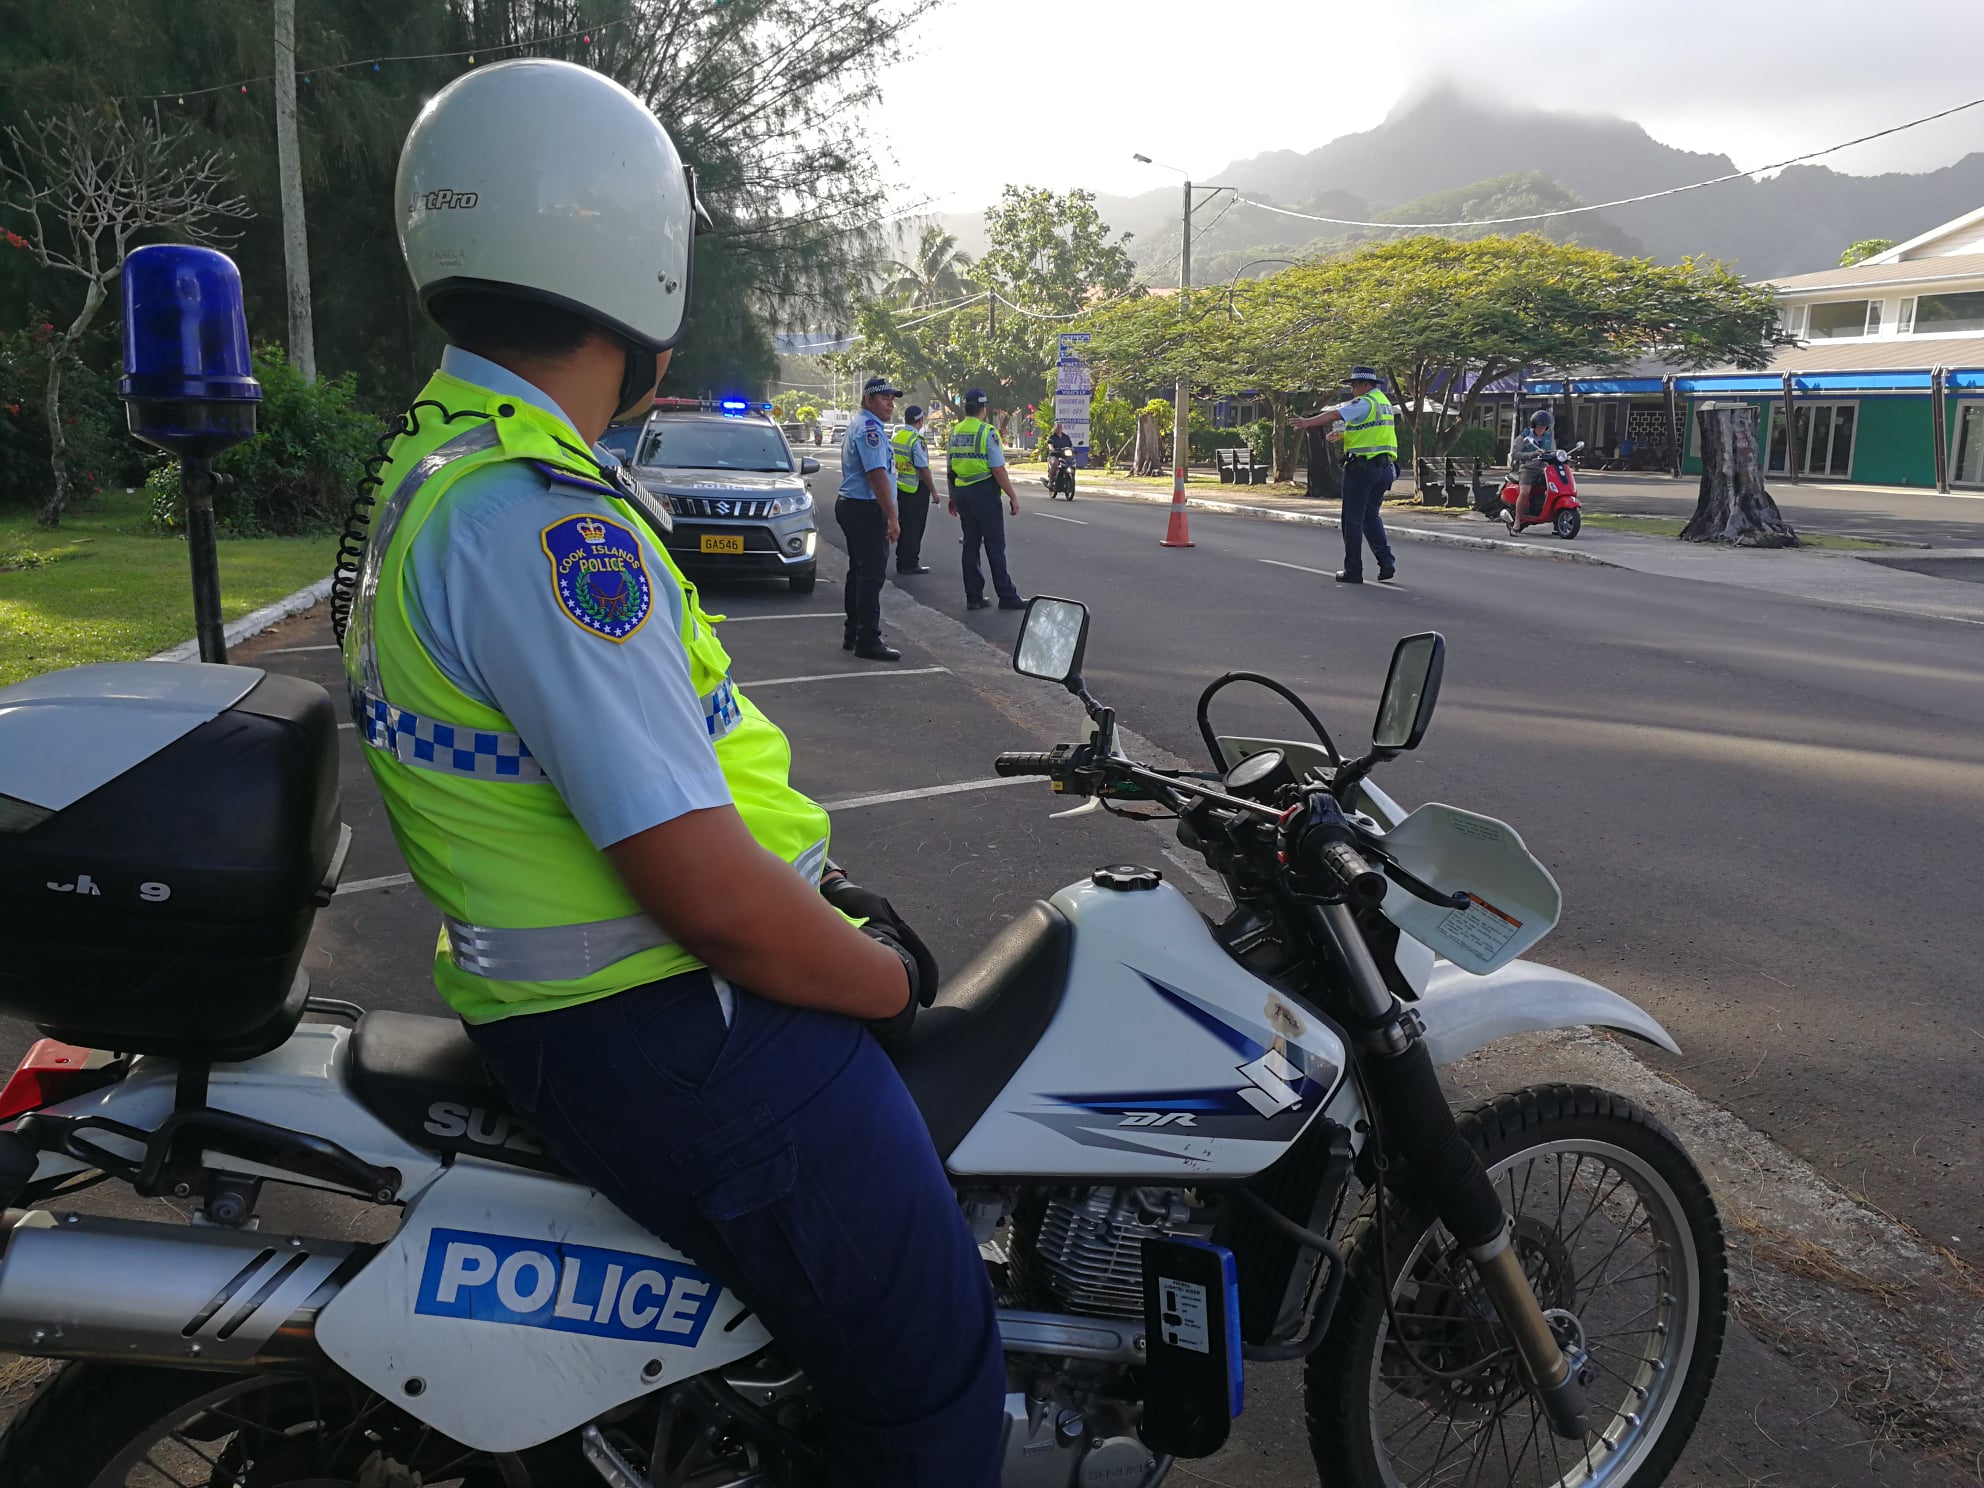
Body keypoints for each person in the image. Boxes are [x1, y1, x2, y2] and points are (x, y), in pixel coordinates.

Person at [346, 59, 1003, 1486]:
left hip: (602, 1014)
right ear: (634, 266)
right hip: (678, 1028)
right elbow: (701, 887)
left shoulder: (445, 462)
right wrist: (883, 976)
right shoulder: (545, 527)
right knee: (939, 1387)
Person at [1290, 365, 1399, 584]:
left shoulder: (1365, 401)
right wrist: (1344, 435)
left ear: (1366, 385)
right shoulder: (1383, 402)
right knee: (1370, 516)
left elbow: (1335, 413)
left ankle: (1353, 570)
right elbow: (1373, 432)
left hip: (1362, 468)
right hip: (1385, 468)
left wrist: (1307, 423)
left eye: (1355, 385)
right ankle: (1386, 561)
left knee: (1352, 520)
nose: (1352, 390)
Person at [838, 376, 905, 661]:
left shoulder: (866, 425)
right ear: (867, 400)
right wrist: (892, 517)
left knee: (859, 571)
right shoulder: (869, 429)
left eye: (892, 398)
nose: (889, 403)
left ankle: (853, 632)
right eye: (883, 398)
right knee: (872, 575)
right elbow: (876, 475)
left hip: (855, 506)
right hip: (865, 508)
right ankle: (867, 638)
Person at [945, 388, 1024, 610]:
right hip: (984, 493)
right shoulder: (987, 432)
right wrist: (1013, 496)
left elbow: (950, 469)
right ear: (984, 408)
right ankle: (1006, 595)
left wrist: (952, 496)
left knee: (970, 544)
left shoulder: (954, 432)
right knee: (994, 545)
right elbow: (998, 469)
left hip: (962, 492)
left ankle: (974, 597)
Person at [891, 403, 936, 574]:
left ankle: (902, 560)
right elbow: (922, 468)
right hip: (916, 488)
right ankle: (910, 563)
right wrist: (933, 490)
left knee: (905, 524)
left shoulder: (898, 437)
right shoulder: (916, 440)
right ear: (920, 420)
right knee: (915, 527)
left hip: (901, 487)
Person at [1513, 409, 1557, 519]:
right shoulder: (1523, 438)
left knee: (1556, 489)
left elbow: (1553, 451)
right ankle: (1517, 521)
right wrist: (1532, 454)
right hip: (1528, 469)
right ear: (1533, 426)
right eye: (1539, 427)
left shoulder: (1548, 438)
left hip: (1545, 470)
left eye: (1544, 427)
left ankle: (1553, 516)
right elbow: (1514, 454)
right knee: (1524, 491)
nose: (1541, 430)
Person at [1044, 420, 1074, 490]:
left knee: (1072, 463)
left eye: (1060, 426)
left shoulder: (1066, 437)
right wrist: (1053, 449)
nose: (1059, 428)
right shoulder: (1052, 437)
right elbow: (1050, 446)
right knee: (1055, 463)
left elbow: (1071, 446)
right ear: (1055, 427)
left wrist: (1073, 450)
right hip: (1054, 456)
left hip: (1065, 456)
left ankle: (1070, 480)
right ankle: (1051, 482)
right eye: (1057, 426)